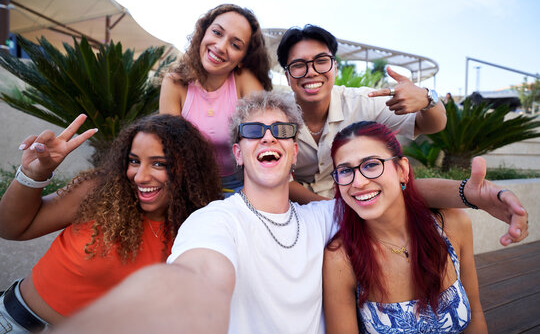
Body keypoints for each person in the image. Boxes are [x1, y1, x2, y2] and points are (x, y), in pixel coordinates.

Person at [52, 92, 527, 334]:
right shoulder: (214, 221)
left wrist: (471, 194)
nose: (268, 137)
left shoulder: (325, 216)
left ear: (293, 149)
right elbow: (196, 277)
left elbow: (392, 187)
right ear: (238, 153)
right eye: (253, 130)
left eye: (281, 129)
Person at [0, 114, 222, 332]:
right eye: (134, 161)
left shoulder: (196, 229)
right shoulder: (103, 193)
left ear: (189, 169)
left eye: (158, 164)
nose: (140, 176)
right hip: (17, 323)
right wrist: (32, 174)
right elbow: (11, 229)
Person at [322, 121, 487, 333]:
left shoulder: (453, 225)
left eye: (371, 164)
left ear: (402, 170)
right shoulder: (342, 258)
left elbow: (476, 315)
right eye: (345, 170)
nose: (359, 182)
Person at [276, 24, 447, 204]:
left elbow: (431, 125)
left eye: (321, 61)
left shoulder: (362, 102)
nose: (311, 72)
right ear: (287, 76)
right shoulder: (275, 115)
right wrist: (332, 210)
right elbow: (279, 180)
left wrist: (428, 99)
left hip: (354, 199)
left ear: (335, 67)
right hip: (295, 207)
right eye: (298, 65)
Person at [159, 3, 271, 196]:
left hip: (242, 185)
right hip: (190, 185)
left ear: (243, 58)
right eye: (217, 33)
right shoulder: (174, 83)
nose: (220, 47)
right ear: (203, 32)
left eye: (235, 45)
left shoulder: (244, 81)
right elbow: (170, 149)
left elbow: (264, 141)